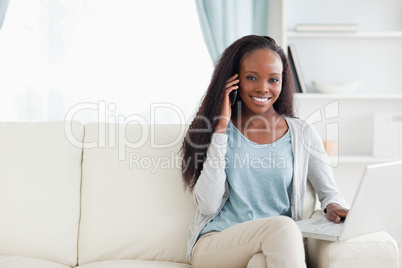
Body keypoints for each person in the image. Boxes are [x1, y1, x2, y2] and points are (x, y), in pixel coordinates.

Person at [180, 35, 348, 268]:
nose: (263, 88)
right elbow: (208, 205)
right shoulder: (215, 130)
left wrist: (334, 207)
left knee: (261, 263)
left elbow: (330, 194)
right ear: (233, 80)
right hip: (217, 243)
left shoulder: (302, 133)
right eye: (252, 78)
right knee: (282, 225)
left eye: (273, 79)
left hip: (275, 242)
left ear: (282, 82)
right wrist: (220, 128)